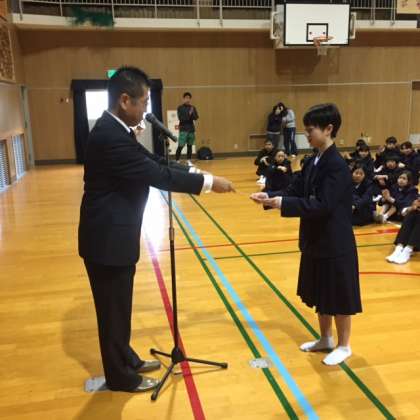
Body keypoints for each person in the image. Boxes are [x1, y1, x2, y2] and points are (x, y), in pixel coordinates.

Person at [78, 67, 234, 393]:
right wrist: (209, 183)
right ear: (125, 100)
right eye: (144, 102)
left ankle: (127, 359)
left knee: (120, 307)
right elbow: (156, 175)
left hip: (116, 236)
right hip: (106, 240)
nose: (147, 109)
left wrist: (195, 172)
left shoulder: (117, 129)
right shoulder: (110, 136)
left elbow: (155, 161)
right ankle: (121, 378)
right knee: (112, 312)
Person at [251, 103, 361, 366]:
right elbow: (295, 189)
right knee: (321, 292)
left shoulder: (336, 166)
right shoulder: (313, 160)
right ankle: (326, 338)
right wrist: (270, 197)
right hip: (316, 238)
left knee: (337, 295)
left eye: (311, 130)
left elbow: (323, 205)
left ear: (328, 129)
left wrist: (282, 204)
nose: (307, 135)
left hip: (335, 241)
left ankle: (344, 345)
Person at [386, 196, 420, 264]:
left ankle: (408, 249)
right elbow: (403, 212)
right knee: (412, 213)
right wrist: (412, 207)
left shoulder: (412, 191)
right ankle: (399, 247)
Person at [175, 92, 199, 165]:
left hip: (191, 129)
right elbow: (181, 118)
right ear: (183, 99)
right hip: (183, 129)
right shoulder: (180, 108)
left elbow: (196, 117)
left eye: (189, 98)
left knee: (190, 146)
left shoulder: (192, 108)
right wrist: (189, 114)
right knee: (181, 145)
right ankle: (177, 160)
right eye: (186, 98)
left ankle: (188, 160)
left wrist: (192, 114)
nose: (187, 99)